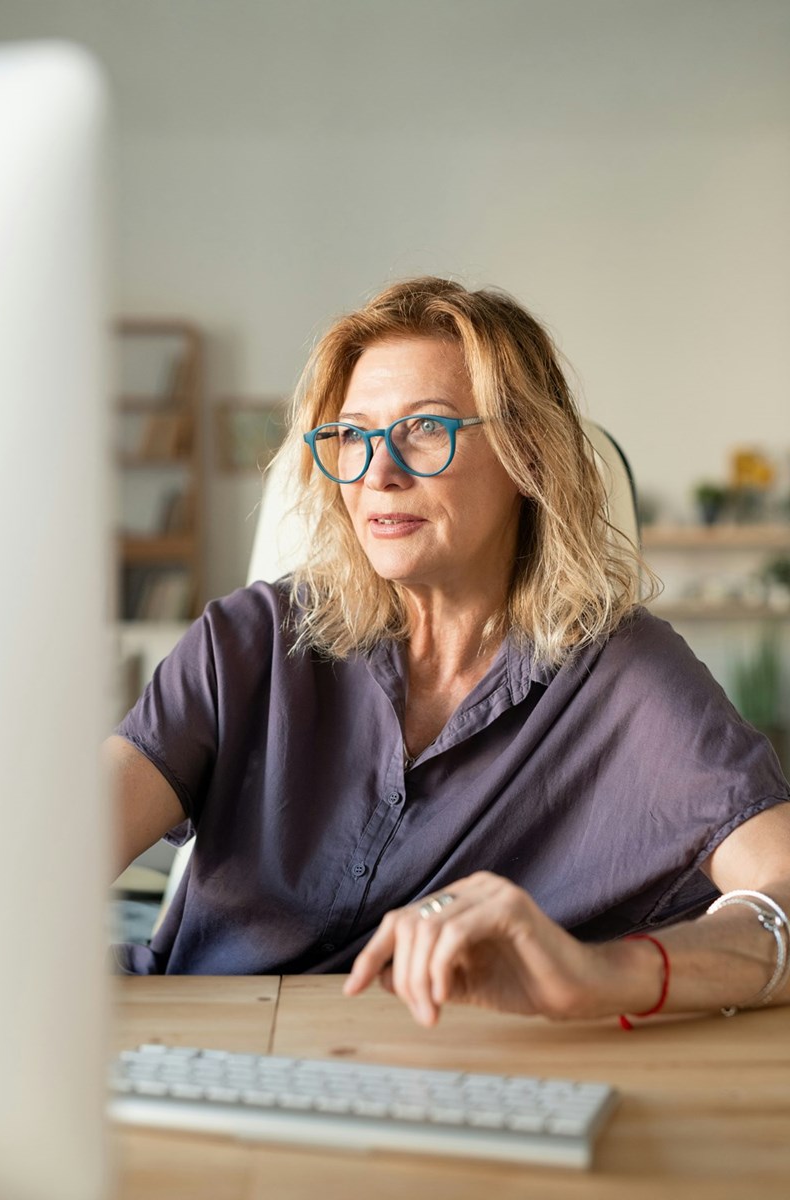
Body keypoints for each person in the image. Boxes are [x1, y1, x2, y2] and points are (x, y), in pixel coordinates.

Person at [109, 276, 790, 1029]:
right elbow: (47, 859)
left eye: (426, 429)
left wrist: (606, 973)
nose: (378, 473)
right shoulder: (247, 642)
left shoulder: (624, 675)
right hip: (191, 1057)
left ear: (527, 451)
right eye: (352, 435)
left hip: (447, 1085)